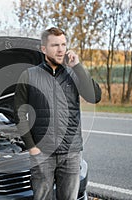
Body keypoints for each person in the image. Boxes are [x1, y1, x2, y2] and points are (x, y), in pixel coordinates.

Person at [14, 27, 101, 200]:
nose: (61, 49)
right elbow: (19, 113)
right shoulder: (29, 75)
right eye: (55, 45)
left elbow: (94, 97)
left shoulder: (74, 73)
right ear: (44, 49)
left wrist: (77, 66)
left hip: (71, 152)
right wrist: (32, 147)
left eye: (63, 44)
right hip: (42, 153)